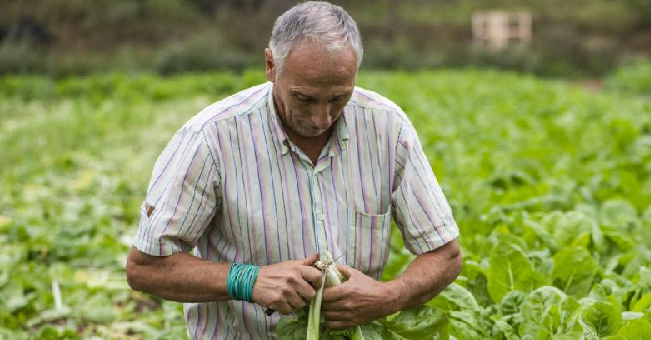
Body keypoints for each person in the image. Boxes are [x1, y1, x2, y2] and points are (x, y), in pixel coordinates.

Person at [124, 2, 462, 339]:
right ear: (271, 65)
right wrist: (248, 280)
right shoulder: (211, 138)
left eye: (338, 98)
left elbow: (444, 254)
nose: (322, 118)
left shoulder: (387, 128)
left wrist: (389, 296)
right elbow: (146, 267)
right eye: (305, 98)